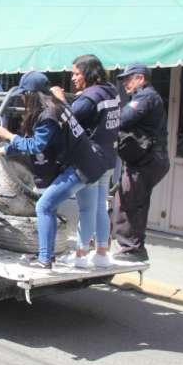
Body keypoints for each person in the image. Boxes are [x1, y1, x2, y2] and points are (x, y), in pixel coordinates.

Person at [0, 71, 114, 269]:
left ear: (33, 94)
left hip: (81, 168)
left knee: (44, 206)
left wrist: (9, 136)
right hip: (91, 162)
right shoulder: (57, 107)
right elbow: (46, 143)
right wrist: (6, 150)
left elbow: (36, 146)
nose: (23, 98)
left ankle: (45, 258)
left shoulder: (48, 116)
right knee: (82, 209)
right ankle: (61, 255)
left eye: (25, 94)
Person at [52, 55, 120, 268]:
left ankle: (80, 254)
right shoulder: (111, 91)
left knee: (86, 209)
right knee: (100, 206)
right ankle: (101, 252)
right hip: (109, 158)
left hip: (91, 159)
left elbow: (67, 118)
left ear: (88, 74)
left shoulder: (90, 98)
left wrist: (60, 99)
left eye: (76, 73)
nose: (73, 78)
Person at [112, 63, 170, 262]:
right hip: (150, 160)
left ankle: (131, 249)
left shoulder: (145, 97)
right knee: (136, 201)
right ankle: (135, 247)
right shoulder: (146, 96)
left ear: (141, 78)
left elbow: (122, 119)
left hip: (146, 161)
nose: (126, 83)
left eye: (129, 79)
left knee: (127, 202)